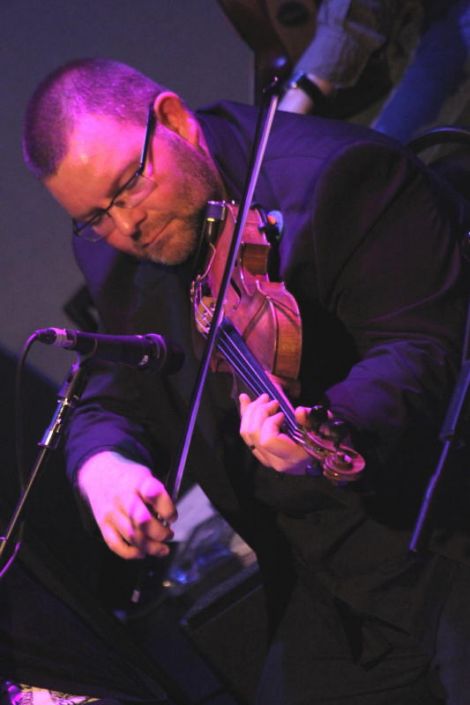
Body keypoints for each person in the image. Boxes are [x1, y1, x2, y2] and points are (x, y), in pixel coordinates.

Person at [21, 58, 470, 704]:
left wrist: (325, 425)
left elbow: (425, 348)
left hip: (435, 532)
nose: (126, 228)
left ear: (174, 121)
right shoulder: (113, 252)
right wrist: (105, 466)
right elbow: (110, 384)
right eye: (95, 216)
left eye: (127, 189)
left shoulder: (339, 178)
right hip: (322, 585)